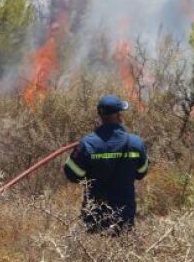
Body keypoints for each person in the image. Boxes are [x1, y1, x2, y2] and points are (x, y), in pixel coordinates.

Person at [63, 94, 150, 233]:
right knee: (122, 245)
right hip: (125, 216)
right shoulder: (136, 143)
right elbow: (141, 172)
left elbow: (72, 174)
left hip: (95, 215)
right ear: (119, 116)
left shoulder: (88, 144)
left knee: (94, 247)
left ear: (100, 116)